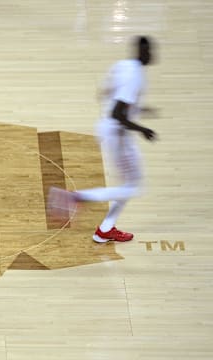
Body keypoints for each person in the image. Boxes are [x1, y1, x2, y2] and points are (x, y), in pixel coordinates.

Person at [48, 36, 157, 243]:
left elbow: (104, 93)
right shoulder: (135, 76)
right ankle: (77, 197)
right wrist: (142, 128)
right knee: (134, 187)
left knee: (129, 185)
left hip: (109, 131)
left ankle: (105, 230)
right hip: (119, 136)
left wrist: (138, 109)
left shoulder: (123, 66)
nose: (152, 54)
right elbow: (117, 113)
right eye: (150, 50)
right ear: (144, 52)